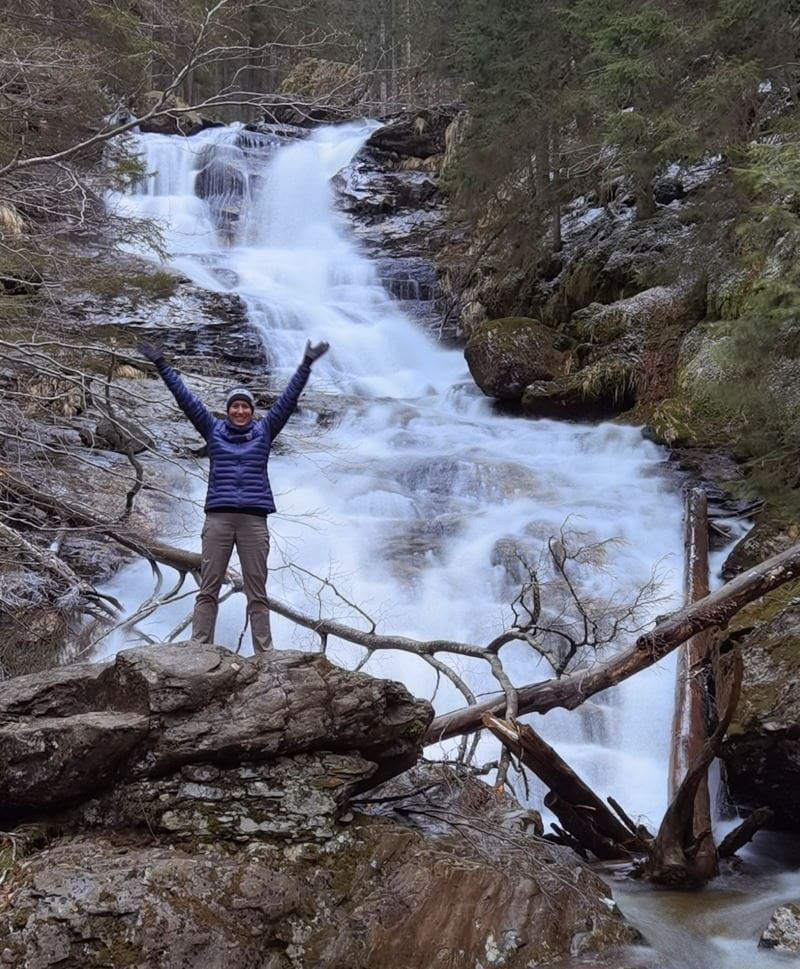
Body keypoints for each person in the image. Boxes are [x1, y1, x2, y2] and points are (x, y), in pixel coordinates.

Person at [138, 338, 329, 652]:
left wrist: (306, 363)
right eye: (235, 406)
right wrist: (161, 364)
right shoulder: (213, 430)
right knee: (208, 586)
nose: (240, 410)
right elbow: (185, 399)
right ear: (228, 411)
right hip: (219, 519)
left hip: (254, 520)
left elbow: (288, 399)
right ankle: (199, 648)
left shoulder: (264, 431)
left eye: (245, 406)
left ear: (251, 411)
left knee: (257, 590)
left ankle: (264, 653)